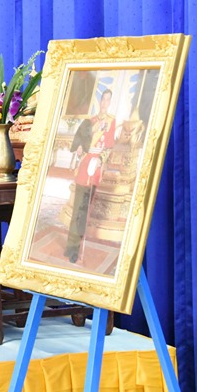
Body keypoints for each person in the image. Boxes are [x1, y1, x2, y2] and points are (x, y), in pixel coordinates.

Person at [65, 89, 116, 264]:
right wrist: (80, 148)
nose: (105, 103)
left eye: (108, 100)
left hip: (96, 169)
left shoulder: (111, 122)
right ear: (100, 101)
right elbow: (80, 141)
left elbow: (109, 146)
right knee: (78, 208)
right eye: (103, 99)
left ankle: (79, 246)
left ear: (110, 103)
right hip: (84, 166)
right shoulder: (90, 121)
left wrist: (101, 160)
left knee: (86, 210)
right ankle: (72, 248)